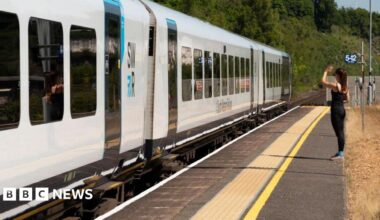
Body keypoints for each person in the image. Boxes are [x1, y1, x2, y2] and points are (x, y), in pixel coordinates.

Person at [321, 65, 350, 160]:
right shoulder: (345, 87)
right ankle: (340, 152)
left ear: (339, 76)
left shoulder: (335, 86)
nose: (335, 76)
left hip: (336, 111)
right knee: (340, 131)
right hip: (342, 110)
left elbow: (323, 82)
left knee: (339, 132)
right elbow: (347, 100)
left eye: (335, 75)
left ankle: (341, 154)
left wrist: (326, 71)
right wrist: (339, 100)